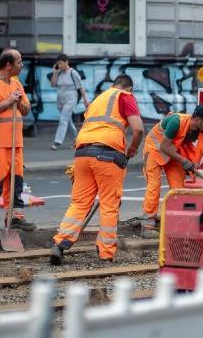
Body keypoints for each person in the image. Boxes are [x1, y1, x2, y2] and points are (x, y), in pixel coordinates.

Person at [50, 74, 144, 264]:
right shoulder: (125, 96)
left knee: (79, 203)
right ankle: (106, 252)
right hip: (108, 154)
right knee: (109, 205)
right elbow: (139, 129)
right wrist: (132, 149)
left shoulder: (97, 100)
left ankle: (59, 244)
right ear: (129, 88)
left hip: (82, 153)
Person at [137, 104, 203, 238]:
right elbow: (164, 146)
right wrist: (183, 161)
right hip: (154, 149)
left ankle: (176, 223)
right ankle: (147, 225)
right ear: (198, 120)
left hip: (173, 153)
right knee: (154, 187)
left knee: (178, 190)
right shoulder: (175, 121)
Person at [0, 48, 36, 232]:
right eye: (19, 62)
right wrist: (7, 101)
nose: (22, 65)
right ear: (9, 65)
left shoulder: (16, 83)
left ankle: (16, 216)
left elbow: (26, 110)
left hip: (15, 143)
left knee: (16, 181)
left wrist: (18, 101)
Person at [49, 54, 90, 150]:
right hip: (60, 100)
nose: (59, 66)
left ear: (66, 62)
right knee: (68, 121)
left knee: (63, 119)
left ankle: (57, 142)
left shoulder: (73, 73)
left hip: (71, 99)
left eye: (61, 63)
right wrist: (54, 72)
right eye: (58, 64)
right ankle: (78, 140)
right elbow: (53, 84)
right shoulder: (58, 73)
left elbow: (80, 87)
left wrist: (85, 100)